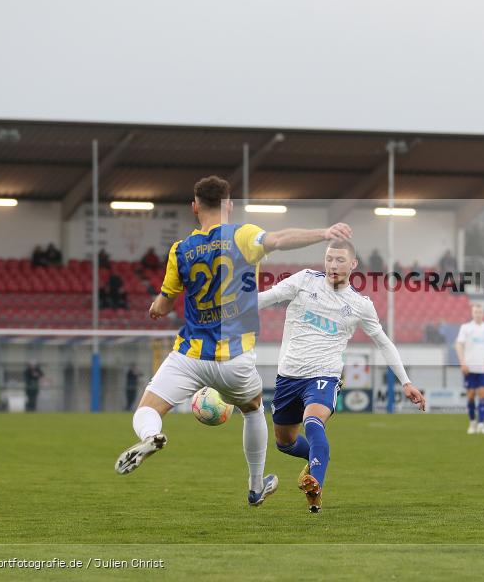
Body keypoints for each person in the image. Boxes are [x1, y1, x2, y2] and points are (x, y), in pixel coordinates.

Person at [113, 175, 353, 510]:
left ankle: (150, 437)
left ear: (194, 206)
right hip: (235, 359)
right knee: (253, 410)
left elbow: (165, 303)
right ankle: (256, 486)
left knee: (148, 409)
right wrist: (324, 234)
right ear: (228, 205)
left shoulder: (180, 250)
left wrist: (157, 305)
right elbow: (281, 239)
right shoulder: (243, 235)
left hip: (190, 356)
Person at [257, 239, 426, 513]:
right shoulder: (304, 281)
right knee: (284, 443)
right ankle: (315, 458)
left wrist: (405, 381)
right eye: (329, 259)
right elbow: (267, 297)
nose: (333, 265)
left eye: (339, 260)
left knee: (313, 422)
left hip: (324, 374)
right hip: (288, 376)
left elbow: (383, 342)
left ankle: (315, 486)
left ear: (353, 264)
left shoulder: (359, 304)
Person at [455, 304, 484, 434]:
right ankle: (472, 423)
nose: (478, 314)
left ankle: (481, 424)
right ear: (472, 313)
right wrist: (463, 363)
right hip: (469, 368)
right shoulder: (466, 328)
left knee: (482, 395)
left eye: (480, 312)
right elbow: (459, 345)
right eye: (475, 312)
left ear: (483, 313)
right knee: (470, 396)